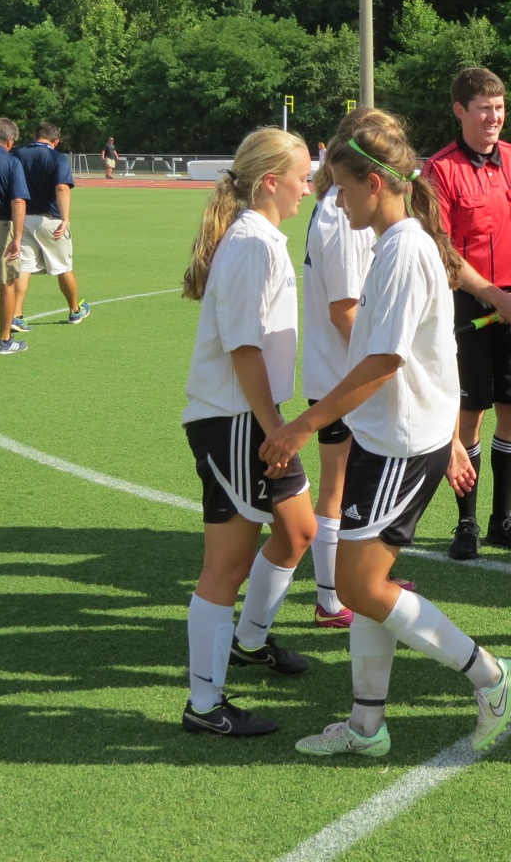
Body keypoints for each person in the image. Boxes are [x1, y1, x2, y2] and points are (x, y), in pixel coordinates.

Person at [261, 110, 511, 758]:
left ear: (373, 184)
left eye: (343, 189)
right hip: (389, 437)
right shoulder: (398, 243)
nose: (337, 201)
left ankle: (489, 676)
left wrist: (298, 427)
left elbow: (384, 362)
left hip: (404, 441)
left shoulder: (404, 248)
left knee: (360, 587)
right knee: (364, 584)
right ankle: (366, 723)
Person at [178, 127, 318, 737]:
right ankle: (205, 705)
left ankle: (249, 642)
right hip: (237, 421)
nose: (308, 187)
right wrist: (275, 429)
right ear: (270, 182)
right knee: (226, 566)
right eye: (302, 175)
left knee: (299, 529)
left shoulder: (261, 238)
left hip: (249, 418)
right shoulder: (252, 245)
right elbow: (242, 349)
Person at [427, 67, 511, 561]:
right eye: (483, 109)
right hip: (466, 309)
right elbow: (445, 253)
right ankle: (467, 522)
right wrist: (494, 297)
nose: (493, 117)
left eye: (499, 108)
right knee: (469, 414)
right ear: (460, 111)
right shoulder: (440, 170)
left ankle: (504, 518)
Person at [302, 107, 412, 630]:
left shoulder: (340, 207)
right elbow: (345, 310)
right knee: (337, 486)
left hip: (347, 372)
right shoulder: (339, 215)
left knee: (349, 485)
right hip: (339, 375)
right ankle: (331, 597)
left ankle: (360, 581)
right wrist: (373, 371)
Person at [12, 123, 90, 332]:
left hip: (22, 219)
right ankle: (75, 310)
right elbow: (62, 187)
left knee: (24, 268)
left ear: (33, 136)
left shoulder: (17, 154)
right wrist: (65, 219)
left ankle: (16, 314)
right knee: (63, 267)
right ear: (56, 141)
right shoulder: (57, 157)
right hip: (49, 220)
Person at [0, 118, 29, 355]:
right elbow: (18, 200)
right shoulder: (11, 162)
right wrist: (18, 238)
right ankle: (4, 340)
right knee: (7, 285)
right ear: (10, 141)